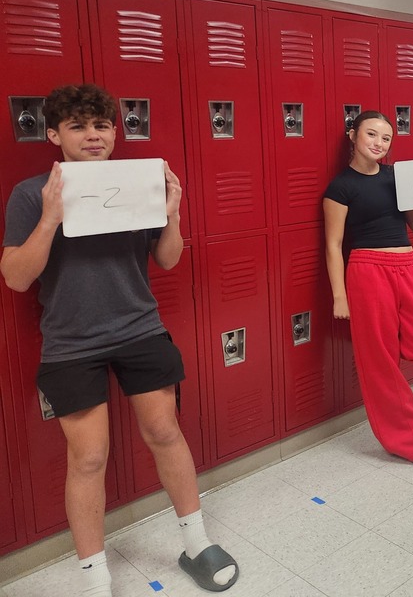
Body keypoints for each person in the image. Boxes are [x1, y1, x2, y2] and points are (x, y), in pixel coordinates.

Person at [0, 84, 238, 597]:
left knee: (166, 432)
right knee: (87, 458)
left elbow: (168, 259)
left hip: (140, 329)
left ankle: (196, 543)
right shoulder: (30, 194)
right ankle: (95, 578)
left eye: (101, 126)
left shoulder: (139, 184)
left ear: (115, 132)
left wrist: (173, 211)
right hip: (70, 343)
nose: (92, 136)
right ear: (54, 134)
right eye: (78, 126)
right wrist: (50, 218)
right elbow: (16, 277)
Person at [323, 110, 413, 466]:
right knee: (379, 362)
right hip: (367, 271)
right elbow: (333, 245)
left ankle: (386, 345)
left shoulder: (397, 177)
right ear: (352, 136)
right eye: (371, 135)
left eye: (386, 138)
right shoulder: (340, 187)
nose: (379, 143)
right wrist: (340, 295)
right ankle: (409, 441)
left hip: (406, 266)